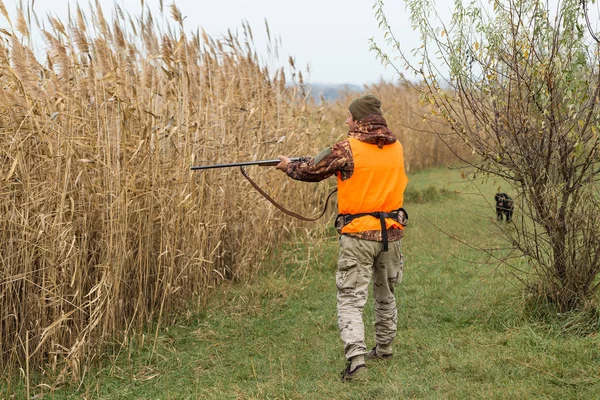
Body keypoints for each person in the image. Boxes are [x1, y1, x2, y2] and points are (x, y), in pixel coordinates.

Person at [276, 94, 409, 382]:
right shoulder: (396, 147)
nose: (346, 120)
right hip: (392, 234)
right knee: (386, 294)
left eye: (349, 116)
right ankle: (384, 349)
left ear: (359, 120)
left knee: (350, 298)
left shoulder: (348, 148)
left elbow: (312, 169)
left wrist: (288, 165)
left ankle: (357, 363)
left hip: (358, 236)